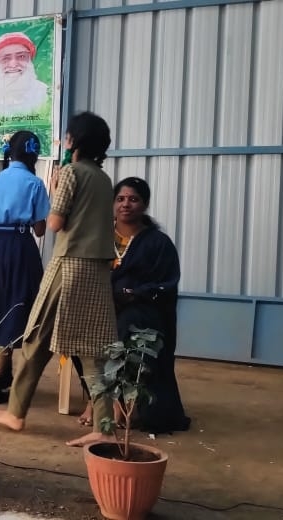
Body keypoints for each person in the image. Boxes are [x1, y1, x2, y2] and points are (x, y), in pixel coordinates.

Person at [0, 112, 118, 448]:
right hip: (98, 269)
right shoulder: (104, 179)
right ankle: (105, 425)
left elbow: (56, 223)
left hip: (69, 265)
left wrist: (57, 186)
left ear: (73, 141)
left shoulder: (71, 174)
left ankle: (16, 411)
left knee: (34, 337)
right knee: (92, 350)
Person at [105, 177, 191, 435]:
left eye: (133, 199)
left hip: (141, 308)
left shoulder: (157, 243)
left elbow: (167, 284)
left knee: (131, 324)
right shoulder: (99, 238)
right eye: (120, 199)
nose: (126, 205)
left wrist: (135, 294)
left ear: (144, 204)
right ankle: (98, 403)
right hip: (102, 304)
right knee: (76, 330)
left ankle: (128, 404)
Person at [0, 130, 51, 405]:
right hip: (21, 246)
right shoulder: (35, 183)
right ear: (33, 154)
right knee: (23, 305)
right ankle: (8, 381)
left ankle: (0, 377)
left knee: (0, 304)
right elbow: (41, 230)